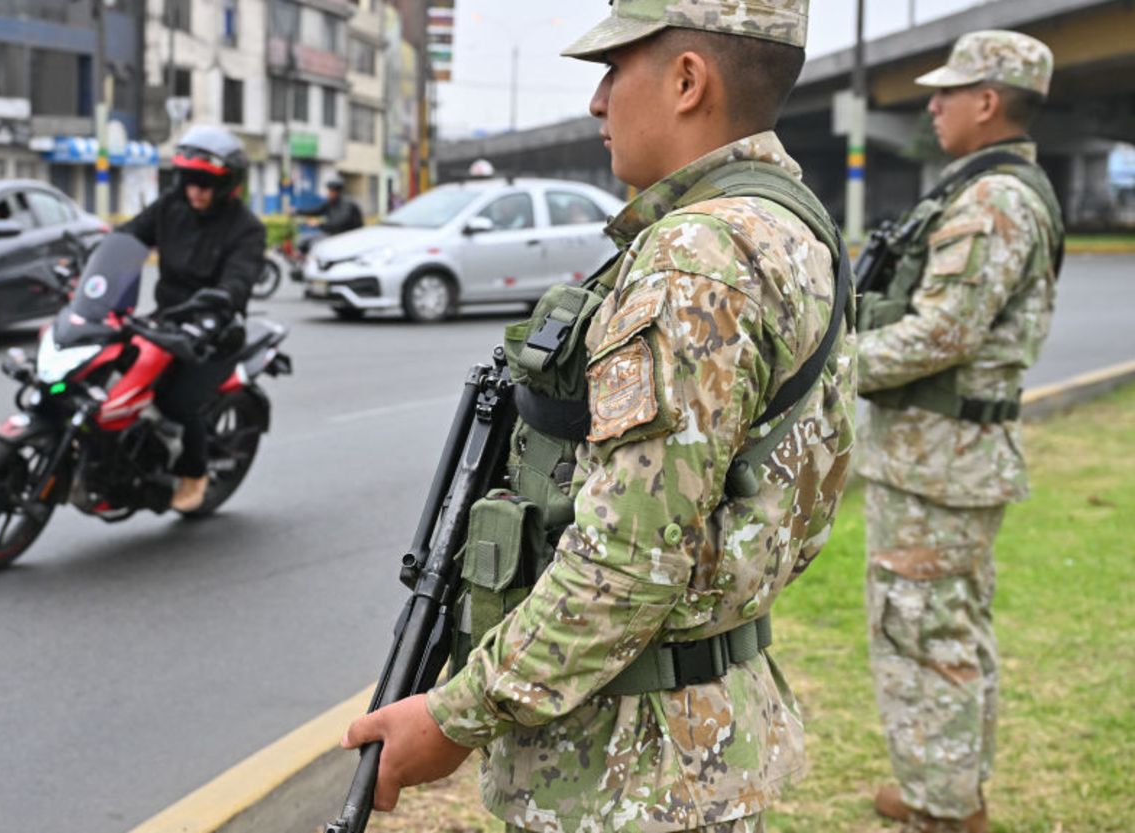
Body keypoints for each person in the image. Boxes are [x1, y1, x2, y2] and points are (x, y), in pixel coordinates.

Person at [340, 2, 857, 831]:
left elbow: (630, 558)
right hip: (692, 727)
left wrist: (454, 714)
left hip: (628, 768)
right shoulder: (793, 227)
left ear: (688, 80)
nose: (596, 100)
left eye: (615, 69)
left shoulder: (697, 260)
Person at [855, 31, 1064, 833]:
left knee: (920, 627)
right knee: (948, 623)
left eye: (949, 92)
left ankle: (941, 808)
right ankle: (948, 786)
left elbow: (942, 333)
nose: (932, 104)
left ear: (987, 102)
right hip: (948, 458)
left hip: (938, 461)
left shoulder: (994, 200)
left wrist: (835, 363)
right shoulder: (997, 188)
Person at [117, 125, 266, 513]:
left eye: (205, 183)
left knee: (177, 402)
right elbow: (129, 236)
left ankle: (194, 471)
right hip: (166, 319)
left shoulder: (246, 229)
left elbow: (239, 279)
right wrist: (91, 255)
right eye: (190, 180)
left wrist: (222, 300)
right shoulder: (170, 206)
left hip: (214, 331)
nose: (195, 190)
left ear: (227, 185)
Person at [300, 178, 364, 240]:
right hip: (336, 238)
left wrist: (318, 224)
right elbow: (316, 211)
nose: (328, 194)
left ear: (337, 192)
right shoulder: (330, 203)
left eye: (330, 191)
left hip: (350, 239)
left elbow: (338, 224)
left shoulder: (347, 205)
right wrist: (296, 211)